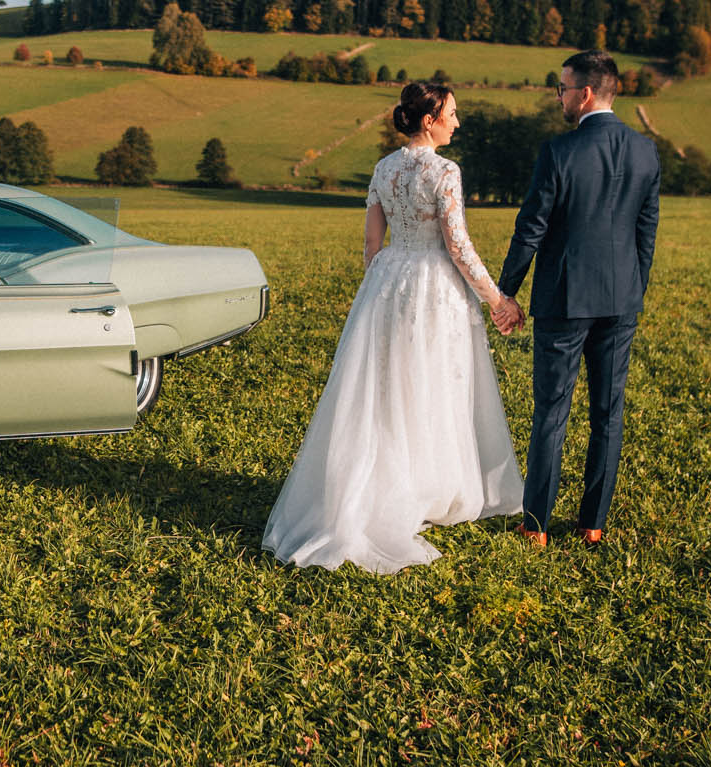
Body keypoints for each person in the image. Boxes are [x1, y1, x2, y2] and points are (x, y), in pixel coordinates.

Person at [262, 82, 525, 573]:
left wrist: (379, 288)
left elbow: (371, 241)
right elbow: (459, 247)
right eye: (451, 113)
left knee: (387, 388)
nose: (457, 122)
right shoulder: (445, 171)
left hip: (389, 283)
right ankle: (425, 489)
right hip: (434, 285)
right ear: (429, 119)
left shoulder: (384, 168)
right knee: (431, 384)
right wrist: (497, 300)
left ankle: (390, 484)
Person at [497, 50, 660, 547]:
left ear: (585, 93)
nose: (560, 97)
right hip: (621, 301)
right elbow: (646, 229)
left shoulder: (559, 152)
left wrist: (507, 291)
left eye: (563, 88)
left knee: (551, 411)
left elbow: (531, 229)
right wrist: (635, 286)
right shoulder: (646, 151)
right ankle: (593, 524)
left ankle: (537, 525)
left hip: (564, 301)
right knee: (609, 412)